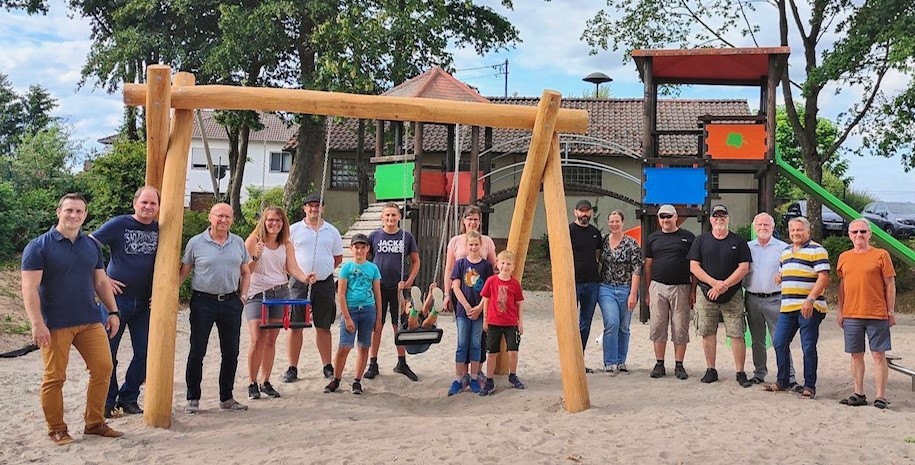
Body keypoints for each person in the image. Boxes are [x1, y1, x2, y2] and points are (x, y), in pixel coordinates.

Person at [22, 193, 124, 445]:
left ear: (85, 215)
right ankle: (57, 429)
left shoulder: (91, 246)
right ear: (58, 212)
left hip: (90, 320)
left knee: (104, 369)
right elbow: (29, 289)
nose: (74, 215)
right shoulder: (38, 246)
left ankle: (95, 422)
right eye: (69, 210)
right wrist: (37, 323)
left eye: (79, 211)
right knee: (55, 377)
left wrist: (113, 311)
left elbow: (100, 281)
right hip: (55, 324)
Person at [90, 186, 159, 418]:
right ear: (135, 203)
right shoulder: (119, 224)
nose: (148, 207)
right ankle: (108, 401)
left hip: (146, 304)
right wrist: (102, 279)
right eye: (144, 202)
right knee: (108, 352)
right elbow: (89, 245)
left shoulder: (161, 230)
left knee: (145, 352)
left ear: (158, 207)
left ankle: (128, 397)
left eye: (153, 204)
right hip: (116, 302)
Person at [180, 203, 251, 413]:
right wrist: (169, 294)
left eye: (228, 217)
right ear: (210, 218)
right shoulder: (196, 243)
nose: (224, 220)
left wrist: (243, 296)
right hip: (203, 302)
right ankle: (193, 398)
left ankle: (226, 398)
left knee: (231, 352)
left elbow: (246, 271)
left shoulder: (238, 242)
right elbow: (184, 271)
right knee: (197, 351)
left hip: (231, 301)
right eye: (219, 216)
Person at [243, 207, 317, 400]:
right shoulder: (253, 241)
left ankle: (265, 380)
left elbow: (291, 267)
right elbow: (245, 271)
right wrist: (256, 257)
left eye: (278, 220)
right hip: (257, 293)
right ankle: (252, 382)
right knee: (257, 338)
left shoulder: (286, 244)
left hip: (280, 292)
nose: (274, 224)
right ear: (263, 221)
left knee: (270, 339)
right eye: (270, 220)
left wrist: (304, 277)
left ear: (283, 223)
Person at [764, 217, 830, 400]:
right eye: (792, 230)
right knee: (779, 342)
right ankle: (783, 380)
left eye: (799, 230)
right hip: (787, 306)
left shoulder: (817, 250)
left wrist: (810, 299)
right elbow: (784, 271)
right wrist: (779, 276)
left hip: (809, 305)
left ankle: (809, 385)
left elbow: (823, 277)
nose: (795, 233)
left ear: (808, 232)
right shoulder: (785, 251)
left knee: (808, 346)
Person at [688, 204, 752, 385]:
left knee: (737, 332)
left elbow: (744, 267)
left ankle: (740, 372)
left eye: (723, 216)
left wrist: (724, 285)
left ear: (728, 219)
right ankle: (711, 369)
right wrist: (714, 284)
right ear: (710, 220)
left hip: (733, 294)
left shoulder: (739, 241)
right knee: (708, 331)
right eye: (716, 216)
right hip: (705, 292)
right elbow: (694, 266)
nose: (719, 219)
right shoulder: (700, 240)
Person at [837, 219, 896, 409]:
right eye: (854, 232)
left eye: (863, 231)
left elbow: (890, 284)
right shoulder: (844, 257)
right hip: (852, 313)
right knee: (856, 355)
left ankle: (880, 395)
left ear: (870, 234)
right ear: (849, 235)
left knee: (878, 355)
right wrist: (840, 310)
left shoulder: (881, 255)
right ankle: (859, 392)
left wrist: (890, 310)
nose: (859, 235)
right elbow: (842, 285)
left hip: (876, 313)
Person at [285, 193, 343, 383]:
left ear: (322, 208)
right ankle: (292, 367)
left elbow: (337, 258)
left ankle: (327, 365)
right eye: (310, 206)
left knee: (323, 326)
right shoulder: (293, 230)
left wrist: (322, 270)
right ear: (304, 208)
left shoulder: (331, 231)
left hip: (324, 283)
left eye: (317, 206)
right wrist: (302, 274)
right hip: (298, 283)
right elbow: (287, 258)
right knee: (295, 326)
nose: (314, 209)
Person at [364, 203, 421, 381]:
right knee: (377, 325)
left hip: (398, 288)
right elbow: (365, 260)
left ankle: (401, 362)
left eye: (394, 215)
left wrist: (409, 281)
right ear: (382, 217)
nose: (390, 219)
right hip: (378, 287)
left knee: (399, 325)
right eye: (387, 215)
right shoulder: (374, 236)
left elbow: (416, 261)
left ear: (399, 217)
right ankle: (373, 363)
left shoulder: (406, 237)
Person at [442, 205, 498, 384]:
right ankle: (463, 373)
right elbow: (449, 268)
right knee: (463, 335)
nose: (472, 222)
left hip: (480, 296)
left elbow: (493, 267)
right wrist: (446, 293)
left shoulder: (486, 241)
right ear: (463, 221)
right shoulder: (456, 241)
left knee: (479, 337)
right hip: (462, 294)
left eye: (476, 219)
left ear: (479, 222)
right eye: (469, 219)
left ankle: (477, 371)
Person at [742, 212, 797, 386]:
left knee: (780, 339)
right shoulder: (747, 247)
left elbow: (793, 269)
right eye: (759, 225)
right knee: (757, 340)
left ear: (773, 228)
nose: (763, 228)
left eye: (766, 225)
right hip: (752, 298)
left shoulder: (783, 248)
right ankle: (759, 372)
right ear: (754, 227)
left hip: (776, 299)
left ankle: (789, 376)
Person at [324, 233, 382, 395]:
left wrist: (378, 318)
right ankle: (336, 378)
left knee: (364, 346)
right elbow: (341, 294)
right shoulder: (346, 268)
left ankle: (357, 380)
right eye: (357, 247)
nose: (360, 250)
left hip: (368, 310)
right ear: (351, 248)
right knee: (344, 346)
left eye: (363, 247)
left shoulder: (373, 268)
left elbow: (377, 294)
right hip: (352, 310)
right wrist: (347, 317)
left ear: (368, 249)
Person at [644, 204, 696, 380]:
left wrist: (693, 290)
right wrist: (648, 290)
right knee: (658, 325)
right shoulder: (652, 238)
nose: (665, 220)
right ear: (658, 219)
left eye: (669, 216)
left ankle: (679, 364)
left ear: (676, 217)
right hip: (658, 286)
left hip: (681, 287)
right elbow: (648, 265)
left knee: (680, 326)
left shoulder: (688, 237)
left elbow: (694, 265)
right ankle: (659, 363)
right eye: (662, 217)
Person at [597, 210, 643, 375]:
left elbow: (637, 269)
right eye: (611, 222)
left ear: (623, 223)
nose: (614, 224)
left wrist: (633, 293)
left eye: (617, 221)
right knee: (612, 322)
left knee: (624, 326)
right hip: (606, 287)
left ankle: (620, 361)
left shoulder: (631, 243)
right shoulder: (602, 241)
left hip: (626, 288)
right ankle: (609, 362)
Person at [449, 230, 494, 395]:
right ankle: (458, 379)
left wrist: (480, 307)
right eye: (471, 245)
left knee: (476, 344)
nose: (474, 247)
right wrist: (467, 306)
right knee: (462, 344)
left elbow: (488, 291)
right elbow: (456, 287)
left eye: (476, 244)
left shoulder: (486, 266)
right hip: (463, 310)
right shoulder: (460, 264)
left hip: (479, 310)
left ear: (480, 245)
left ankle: (474, 377)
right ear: (466, 246)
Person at [478, 250, 525, 396]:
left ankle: (513, 375)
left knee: (513, 351)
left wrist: (520, 322)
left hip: (511, 322)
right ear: (497, 264)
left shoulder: (515, 283)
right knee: (492, 353)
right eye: (503, 263)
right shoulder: (491, 281)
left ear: (513, 266)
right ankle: (490, 380)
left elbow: (519, 304)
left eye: (508, 264)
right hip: (493, 321)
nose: (505, 266)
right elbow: (486, 300)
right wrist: (485, 318)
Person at [569, 199, 603, 371]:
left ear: (591, 212)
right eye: (581, 211)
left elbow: (597, 256)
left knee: (585, 323)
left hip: (591, 283)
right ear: (575, 212)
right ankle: (569, 361)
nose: (584, 214)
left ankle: (579, 361)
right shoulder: (569, 230)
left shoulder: (595, 233)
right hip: (572, 283)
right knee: (570, 322)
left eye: (587, 211)